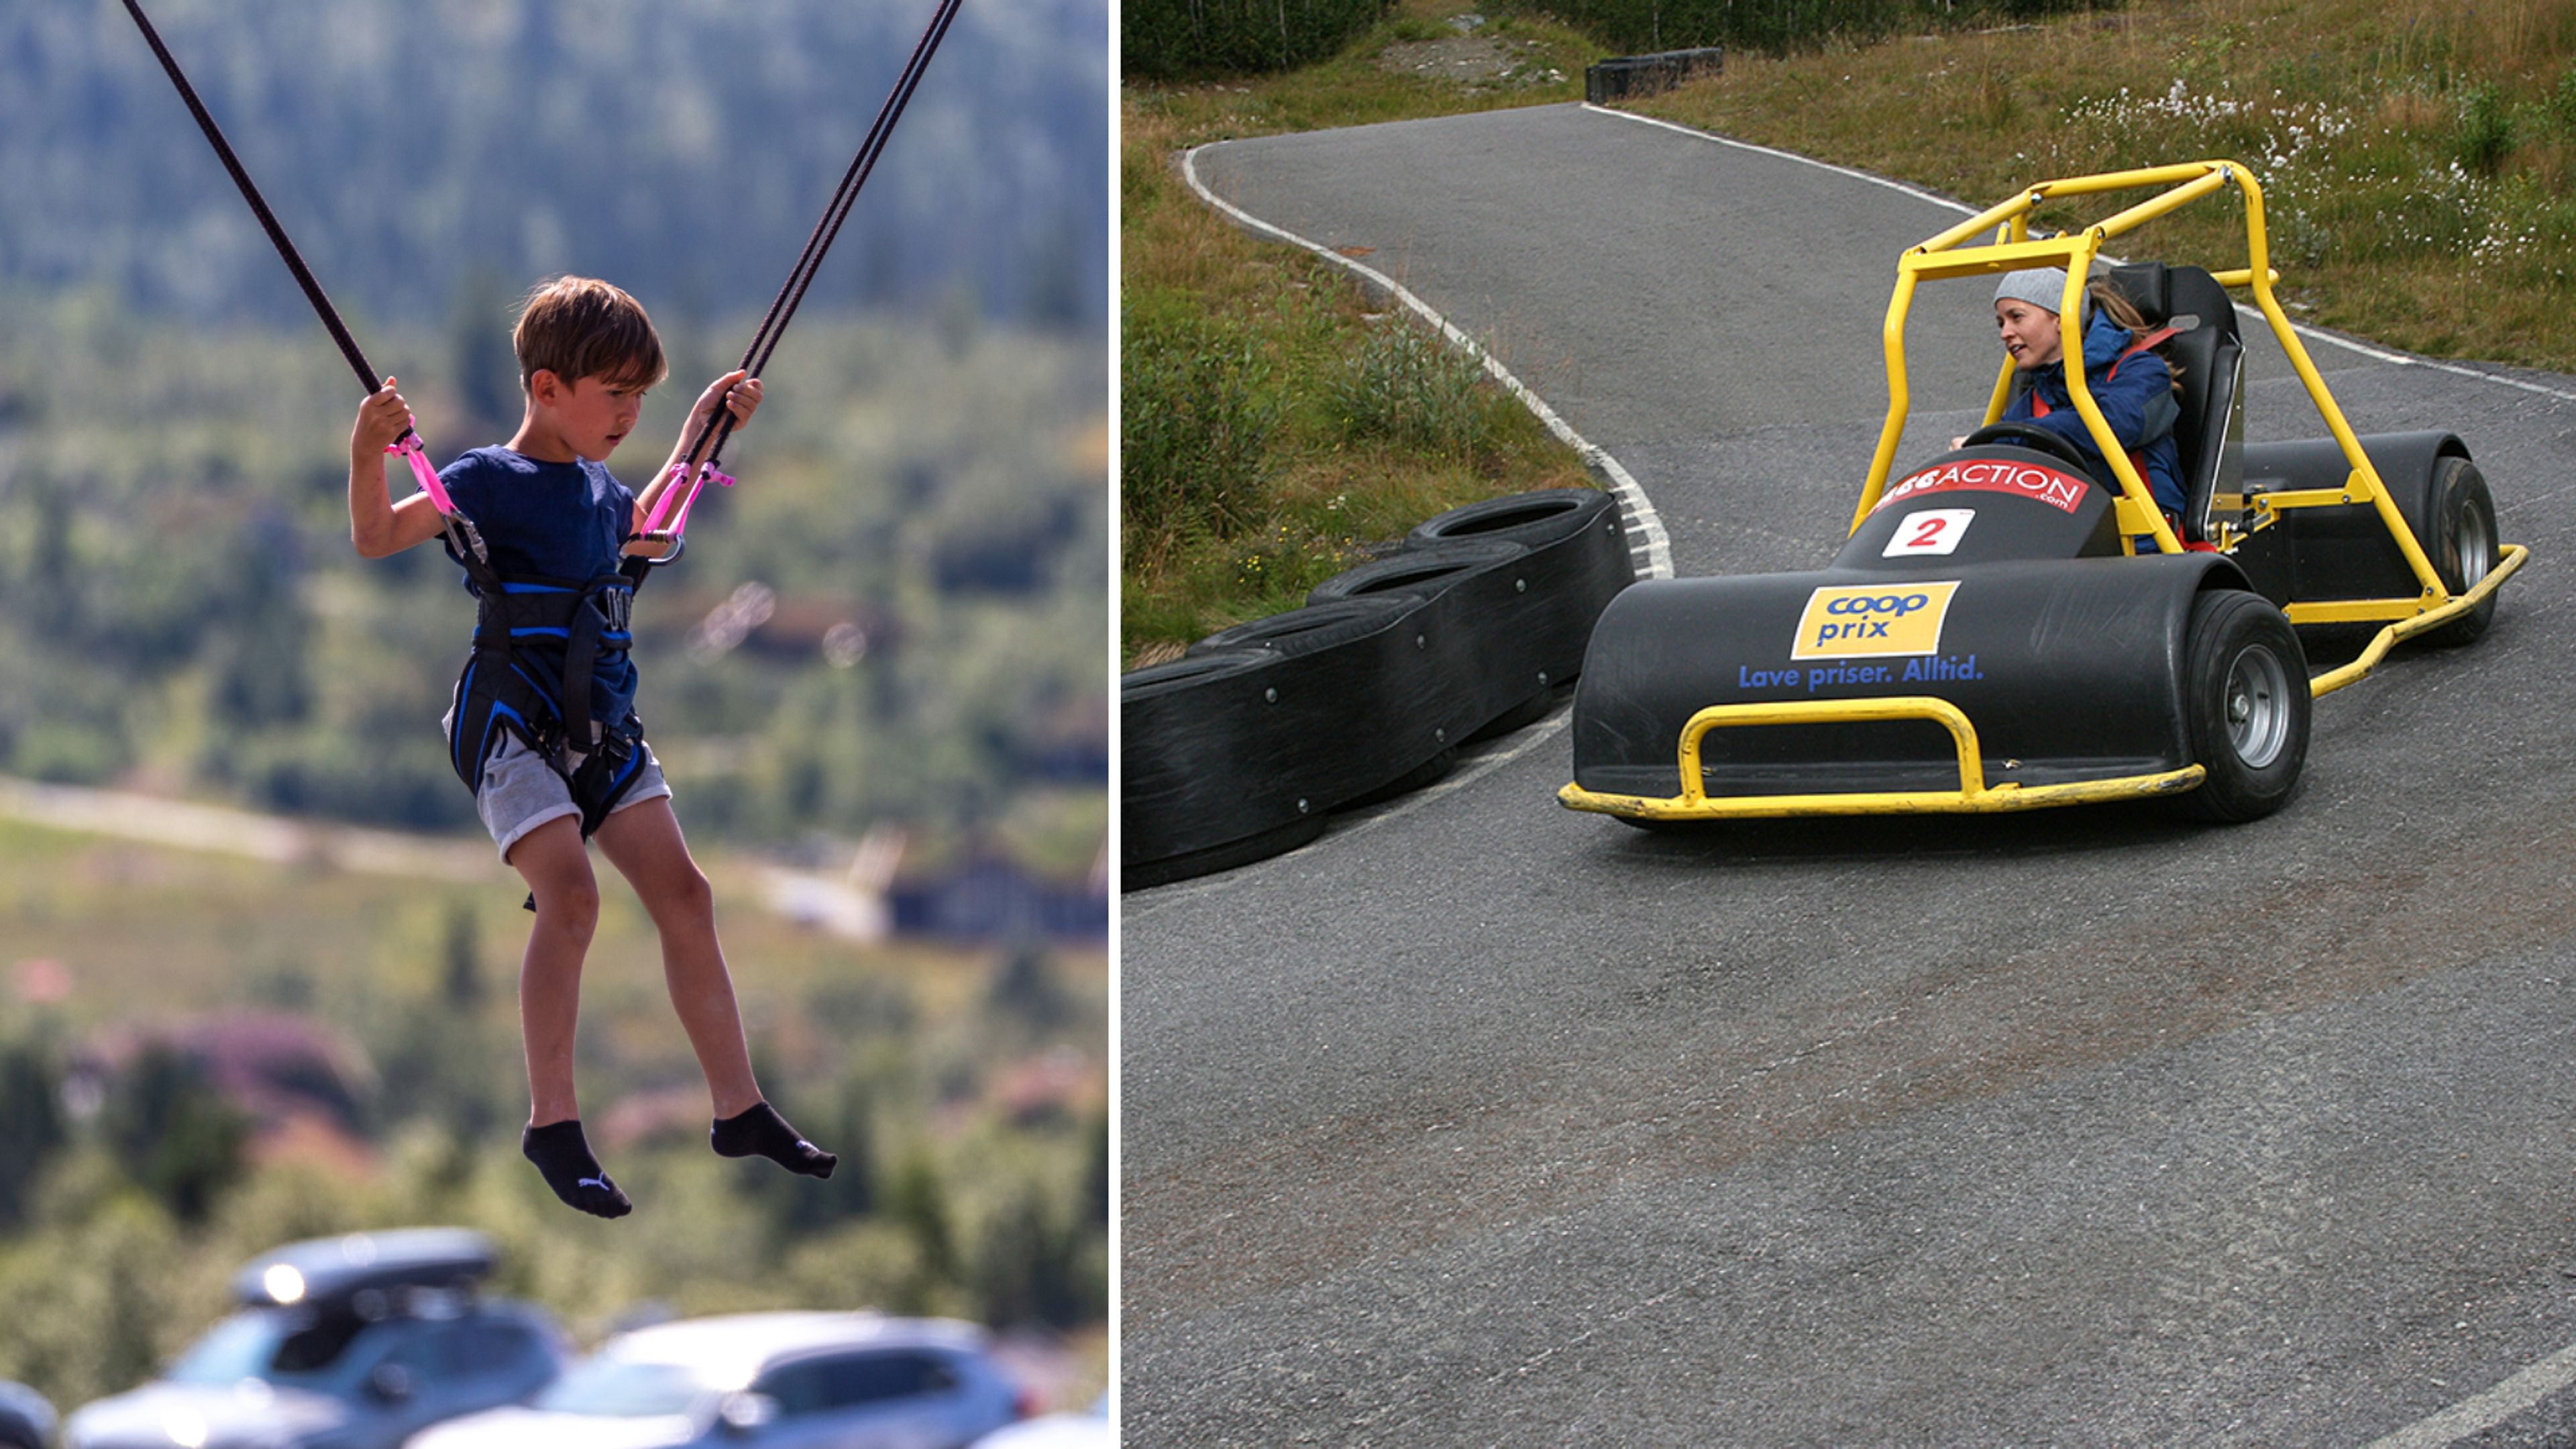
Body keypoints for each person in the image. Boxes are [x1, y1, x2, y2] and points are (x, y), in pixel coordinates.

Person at [346, 276, 834, 1219]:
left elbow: (638, 529)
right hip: (512, 725)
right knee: (571, 896)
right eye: (614, 396)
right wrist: (368, 449)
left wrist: (701, 428)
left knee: (687, 897)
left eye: (641, 398)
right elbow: (375, 536)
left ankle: (739, 1107)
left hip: (602, 720)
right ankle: (554, 1124)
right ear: (545, 389)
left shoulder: (602, 490)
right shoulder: (486, 480)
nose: (628, 415)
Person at [1985, 266, 2186, 525]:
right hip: (2070, 532)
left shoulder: (2142, 371)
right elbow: (2003, 448)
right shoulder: (2036, 398)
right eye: (2001, 323)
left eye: (2017, 317)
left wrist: (2011, 438)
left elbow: (2114, 424)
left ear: (2060, 318)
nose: (2005, 333)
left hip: (2145, 536)